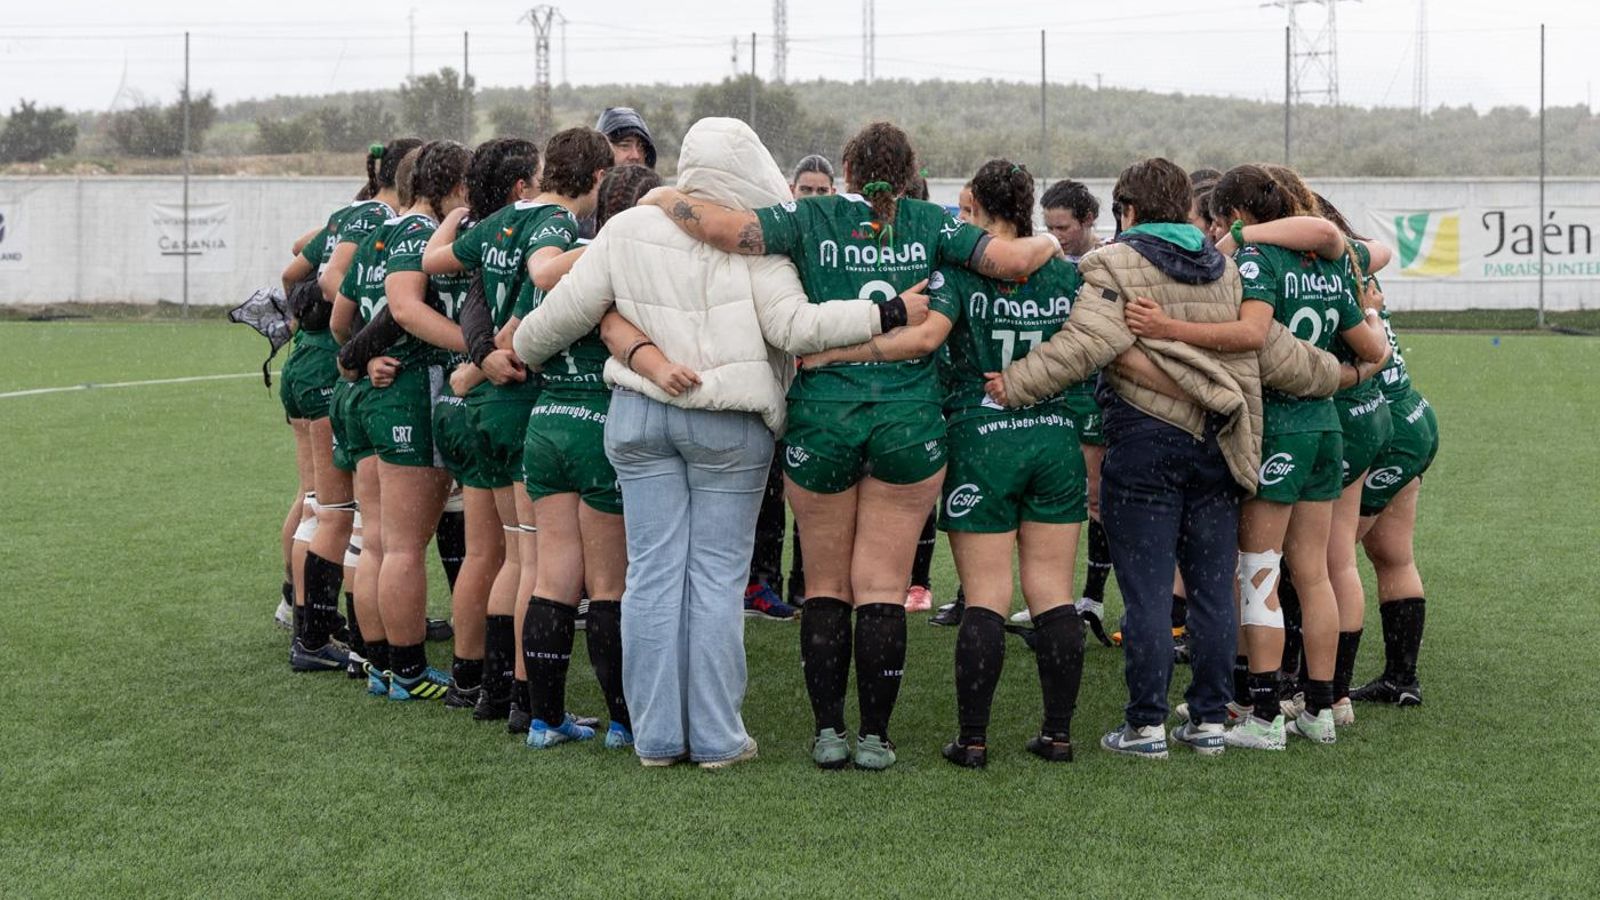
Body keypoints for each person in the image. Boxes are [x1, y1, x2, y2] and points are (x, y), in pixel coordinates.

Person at [643, 119, 1063, 770]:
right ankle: (875, 736)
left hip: (825, 418)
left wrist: (664, 197)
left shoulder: (808, 215)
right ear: (908, 172)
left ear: (845, 168)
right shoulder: (932, 222)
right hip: (908, 420)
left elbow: (724, 229)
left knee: (828, 584)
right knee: (883, 586)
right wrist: (1052, 247)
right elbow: (1011, 260)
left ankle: (829, 733)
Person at [515, 117, 905, 767]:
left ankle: (659, 737)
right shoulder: (757, 241)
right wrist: (885, 313)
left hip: (639, 416)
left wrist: (522, 349)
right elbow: (796, 328)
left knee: (653, 575)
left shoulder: (627, 228)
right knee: (717, 581)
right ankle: (719, 737)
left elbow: (547, 326)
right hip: (730, 422)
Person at [991, 157, 1348, 759]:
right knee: (1213, 589)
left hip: (1146, 443)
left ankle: (1147, 725)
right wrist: (1344, 371)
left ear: (1127, 211)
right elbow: (1277, 350)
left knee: (1151, 593)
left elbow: (1081, 346)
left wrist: (1010, 384)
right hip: (1220, 445)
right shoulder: (1227, 269)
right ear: (1186, 208)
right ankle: (1209, 720)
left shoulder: (1113, 262)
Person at [806, 159, 1089, 768]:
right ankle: (1059, 734)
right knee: (1051, 591)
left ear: (987, 214)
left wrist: (838, 352)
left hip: (983, 438)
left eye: (965, 213)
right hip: (1054, 438)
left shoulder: (959, 271)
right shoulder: (1065, 273)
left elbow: (926, 339)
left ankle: (974, 739)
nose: (959, 224)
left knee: (985, 593)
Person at [1170, 163, 1389, 749]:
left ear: (1236, 215)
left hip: (1279, 427)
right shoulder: (1325, 262)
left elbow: (1250, 334)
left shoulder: (1255, 259)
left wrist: (1173, 329)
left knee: (1259, 569)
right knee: (1312, 571)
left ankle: (1263, 715)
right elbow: (1373, 350)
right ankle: (1319, 707)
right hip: (1325, 427)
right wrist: (1361, 344)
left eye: (1220, 219)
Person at [337, 140, 476, 701]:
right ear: (449, 187)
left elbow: (339, 312)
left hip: (368, 396)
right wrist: (473, 345)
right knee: (401, 547)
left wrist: (359, 358)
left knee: (376, 541)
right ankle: (409, 672)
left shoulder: (379, 231)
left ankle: (381, 666)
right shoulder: (420, 236)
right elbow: (403, 309)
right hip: (407, 395)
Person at [421, 137, 541, 719]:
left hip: (465, 404)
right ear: (523, 186)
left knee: (484, 555)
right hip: (509, 396)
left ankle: (473, 678)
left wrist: (455, 216)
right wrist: (484, 357)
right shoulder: (535, 229)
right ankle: (512, 687)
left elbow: (432, 263)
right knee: (516, 556)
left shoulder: (481, 234)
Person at [292, 139, 419, 675]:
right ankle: (317, 634)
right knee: (342, 514)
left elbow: (295, 266)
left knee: (321, 502)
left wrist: (302, 326)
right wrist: (368, 332)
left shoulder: (353, 212)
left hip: (317, 360)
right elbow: (326, 276)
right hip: (337, 367)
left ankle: (307, 618)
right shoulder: (377, 217)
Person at [1349, 289, 1438, 707]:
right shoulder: (1356, 260)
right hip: (1413, 414)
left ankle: (1315, 691)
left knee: (1324, 560)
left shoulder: (1320, 267)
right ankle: (1401, 680)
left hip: (1383, 425)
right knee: (1391, 552)